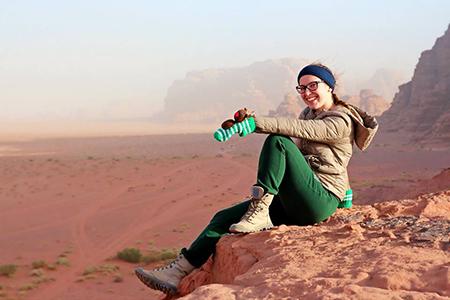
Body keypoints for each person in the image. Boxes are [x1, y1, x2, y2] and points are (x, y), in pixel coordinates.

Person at [134, 63, 379, 295]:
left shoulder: (341, 120)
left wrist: (256, 124)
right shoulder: (309, 114)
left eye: (313, 85)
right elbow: (316, 158)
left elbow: (299, 133)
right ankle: (177, 273)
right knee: (223, 218)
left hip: (318, 201)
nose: (306, 93)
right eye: (301, 88)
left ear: (329, 87)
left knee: (277, 141)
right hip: (298, 197)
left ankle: (260, 210)